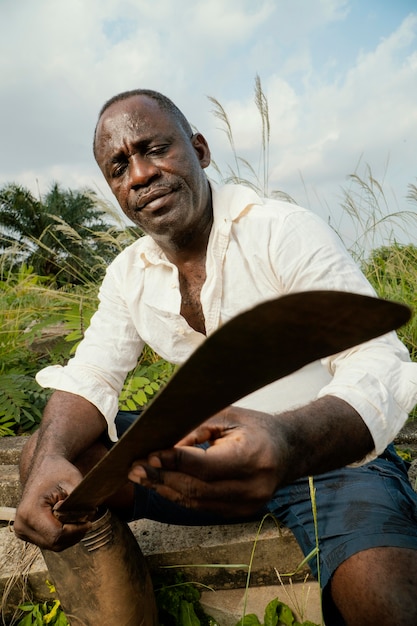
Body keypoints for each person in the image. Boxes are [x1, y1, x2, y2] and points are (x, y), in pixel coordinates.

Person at [14, 89, 417, 626]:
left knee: (387, 598)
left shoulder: (280, 230)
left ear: (200, 150)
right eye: (118, 167)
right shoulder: (128, 273)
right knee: (51, 456)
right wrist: (47, 462)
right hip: (206, 467)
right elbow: (92, 374)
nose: (139, 175)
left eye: (154, 149)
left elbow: (380, 363)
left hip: (330, 457)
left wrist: (288, 441)